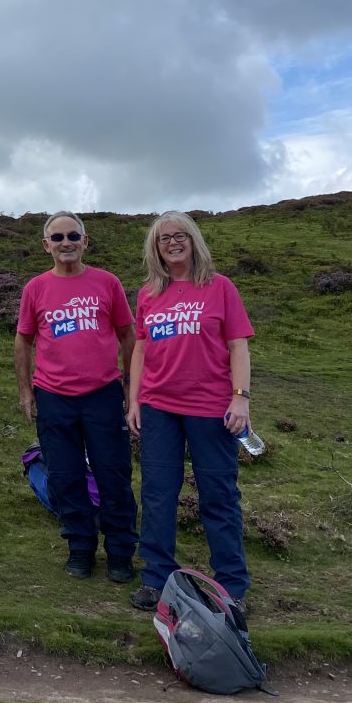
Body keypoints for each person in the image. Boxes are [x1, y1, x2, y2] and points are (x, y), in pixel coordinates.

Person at [126, 211, 255, 613]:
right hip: (159, 407)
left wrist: (241, 397)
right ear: (156, 249)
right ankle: (156, 579)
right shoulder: (148, 293)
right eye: (164, 239)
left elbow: (238, 345)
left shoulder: (220, 288)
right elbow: (141, 350)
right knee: (158, 493)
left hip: (210, 408)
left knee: (218, 495)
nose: (173, 242)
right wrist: (134, 400)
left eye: (180, 235)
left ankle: (231, 586)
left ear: (194, 241)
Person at [14, 212, 138, 582]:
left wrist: (130, 386)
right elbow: (23, 340)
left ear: (85, 241)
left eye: (72, 236)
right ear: (45, 245)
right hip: (54, 398)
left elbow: (128, 335)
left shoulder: (107, 282)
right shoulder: (35, 288)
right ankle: (80, 549)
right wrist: (26, 391)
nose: (65, 243)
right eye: (57, 237)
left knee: (113, 475)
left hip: (103, 395)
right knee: (65, 476)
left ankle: (119, 553)